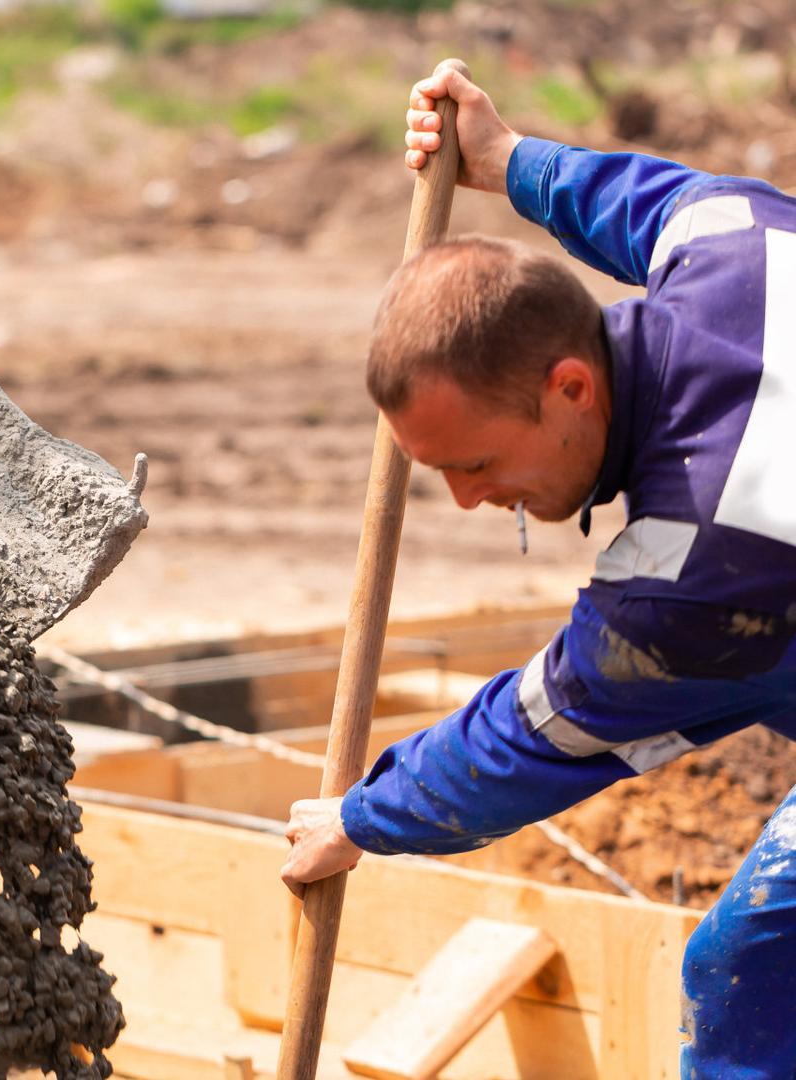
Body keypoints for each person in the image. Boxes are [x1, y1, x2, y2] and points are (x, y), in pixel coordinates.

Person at [280, 61, 796, 1079]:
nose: (467, 500)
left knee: (759, 992)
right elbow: (638, 199)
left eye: (476, 464)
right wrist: (511, 161)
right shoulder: (735, 237)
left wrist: (360, 818)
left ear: (570, 388)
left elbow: (537, 733)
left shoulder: (695, 571)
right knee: (752, 973)